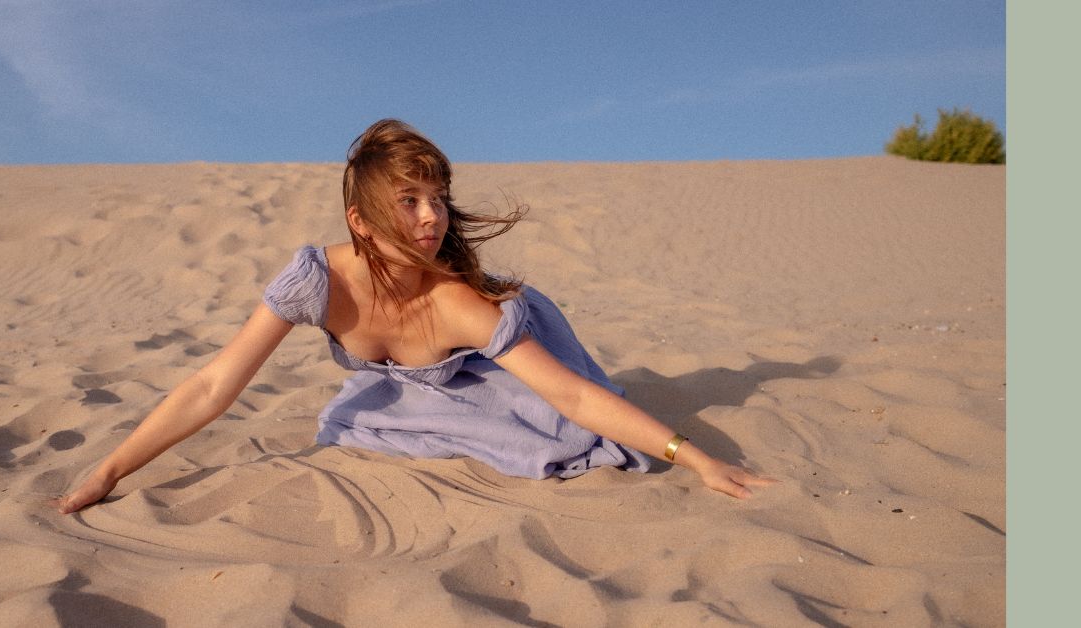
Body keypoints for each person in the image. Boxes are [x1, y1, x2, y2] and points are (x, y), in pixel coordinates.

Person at [56, 119, 773, 514]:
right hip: (413, 376)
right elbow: (215, 386)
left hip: (499, 350)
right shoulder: (314, 281)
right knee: (351, 427)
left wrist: (696, 459)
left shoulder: (460, 302)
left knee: (566, 437)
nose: (432, 217)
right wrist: (111, 469)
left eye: (437, 196)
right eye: (409, 200)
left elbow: (574, 394)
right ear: (360, 221)